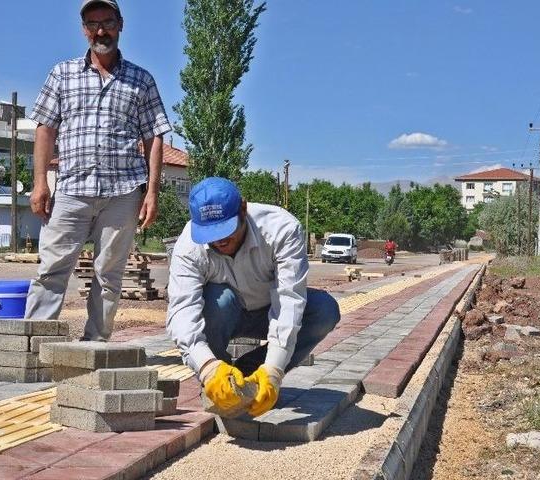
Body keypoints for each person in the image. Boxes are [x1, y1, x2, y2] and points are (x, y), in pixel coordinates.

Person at [24, 0, 171, 341]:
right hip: (73, 189)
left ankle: (95, 345)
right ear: (84, 30)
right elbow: (45, 129)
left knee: (109, 274)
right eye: (93, 24)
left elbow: (154, 137)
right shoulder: (62, 74)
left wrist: (151, 192)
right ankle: (33, 346)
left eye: (107, 22)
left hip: (123, 193)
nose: (101, 31)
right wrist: (40, 184)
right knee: (51, 269)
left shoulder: (141, 80)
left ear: (121, 24)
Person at [166, 177, 341, 417]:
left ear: (243, 209)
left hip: (268, 312)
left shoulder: (282, 229)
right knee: (220, 299)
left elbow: (289, 301)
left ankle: (252, 372)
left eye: (226, 230)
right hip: (226, 314)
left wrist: (274, 370)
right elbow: (182, 312)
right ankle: (219, 379)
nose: (220, 240)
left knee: (325, 310)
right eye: (211, 233)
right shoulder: (189, 244)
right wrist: (206, 366)